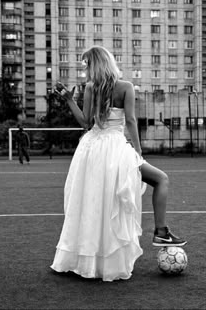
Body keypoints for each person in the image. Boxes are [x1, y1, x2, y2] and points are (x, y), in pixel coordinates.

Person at [50, 46, 186, 282]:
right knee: (160, 179)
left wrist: (70, 101)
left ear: (95, 65)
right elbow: (131, 121)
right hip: (114, 147)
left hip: (91, 149)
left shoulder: (91, 88)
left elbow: (85, 122)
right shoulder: (126, 87)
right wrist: (138, 152)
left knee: (94, 203)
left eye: (86, 66)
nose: (85, 72)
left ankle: (89, 262)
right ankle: (161, 232)